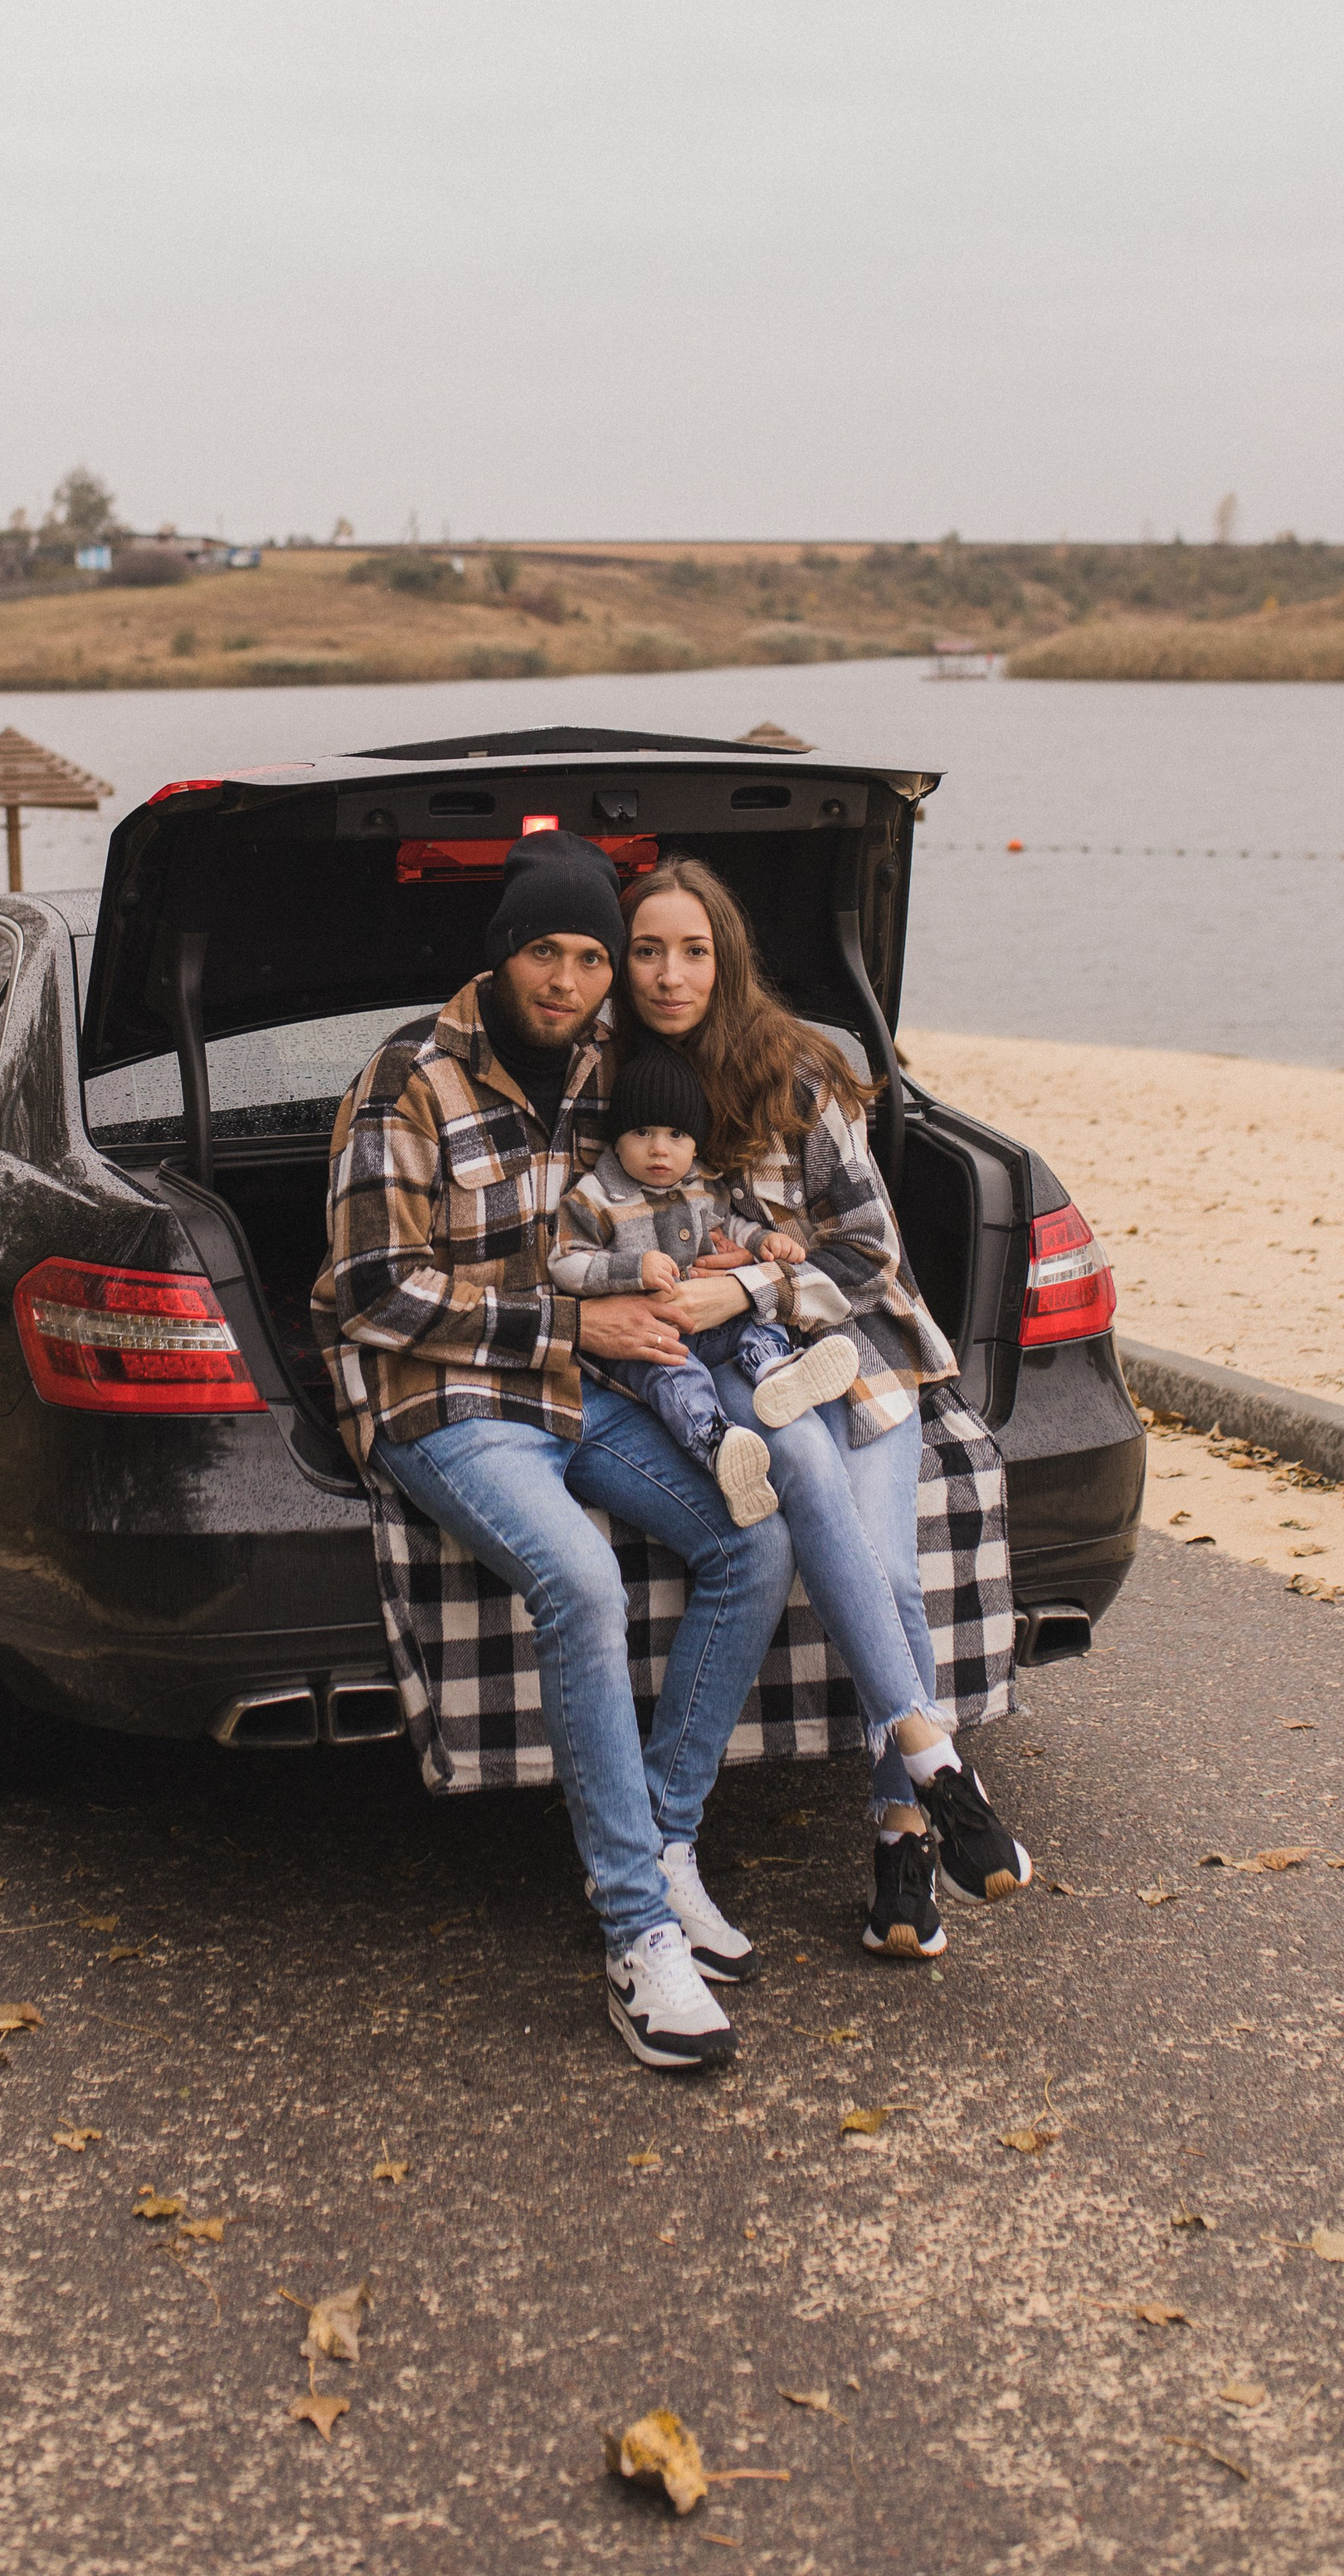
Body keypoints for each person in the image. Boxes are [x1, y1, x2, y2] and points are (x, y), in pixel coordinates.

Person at [313, 831, 799, 2071]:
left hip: (574, 1389)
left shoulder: (606, 1071)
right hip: (440, 1398)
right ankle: (638, 1941)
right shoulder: (405, 1081)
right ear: (503, 954)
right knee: (579, 1578)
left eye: (593, 956)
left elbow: (702, 1147)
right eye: (548, 950)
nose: (572, 978)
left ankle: (667, 1845)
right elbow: (373, 1289)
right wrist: (571, 1322)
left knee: (757, 1538)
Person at [616, 856, 1032, 1960]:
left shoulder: (797, 1071)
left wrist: (745, 1283)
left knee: (891, 1569)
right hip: (746, 1368)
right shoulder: (622, 1089)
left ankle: (903, 1830)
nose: (670, 973)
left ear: (727, 955)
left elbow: (870, 1251)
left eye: (693, 949)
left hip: (856, 1350)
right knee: (813, 1484)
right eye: (648, 950)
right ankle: (934, 1768)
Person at [548, 1045, 859, 1526]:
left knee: (758, 1314)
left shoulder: (702, 1185)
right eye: (642, 1132)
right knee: (674, 1375)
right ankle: (719, 1445)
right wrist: (633, 1268)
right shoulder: (595, 1197)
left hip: (710, 1323)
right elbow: (565, 1263)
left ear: (695, 1144)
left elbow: (728, 1226)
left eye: (676, 1134)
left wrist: (765, 1241)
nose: (659, 1148)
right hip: (646, 1339)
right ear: (616, 1140)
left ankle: (777, 1373)